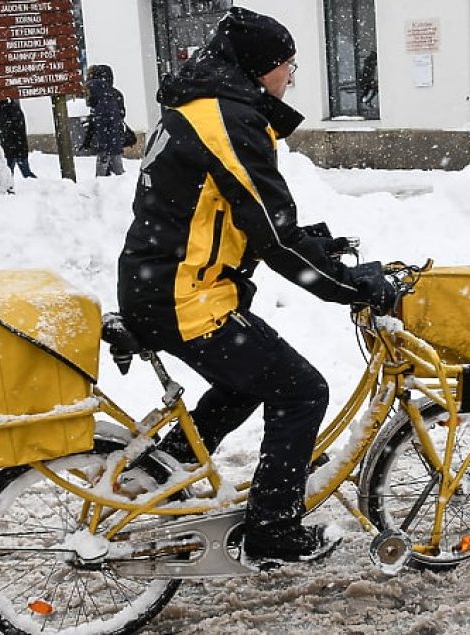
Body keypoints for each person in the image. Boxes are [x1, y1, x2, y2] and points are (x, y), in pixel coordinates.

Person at [117, 8, 396, 566]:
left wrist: (320, 248)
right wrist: (351, 287)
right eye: (288, 66)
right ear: (261, 66)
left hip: (162, 285)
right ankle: (273, 529)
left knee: (247, 381)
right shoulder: (226, 120)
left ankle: (161, 468)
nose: (290, 78)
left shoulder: (200, 110)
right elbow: (272, 233)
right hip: (183, 298)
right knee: (302, 391)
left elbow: (227, 214)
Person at [84, 64, 126, 177]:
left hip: (102, 138)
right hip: (115, 137)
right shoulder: (116, 94)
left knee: (101, 172)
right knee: (119, 171)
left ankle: (101, 189)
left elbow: (95, 116)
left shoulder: (94, 93)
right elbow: (122, 114)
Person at [0, 99, 36, 178]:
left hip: (10, 148)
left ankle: (9, 188)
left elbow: (5, 131)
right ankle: (38, 185)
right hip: (20, 146)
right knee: (25, 171)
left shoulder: (4, 111)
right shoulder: (15, 109)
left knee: (8, 173)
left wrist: (4, 144)